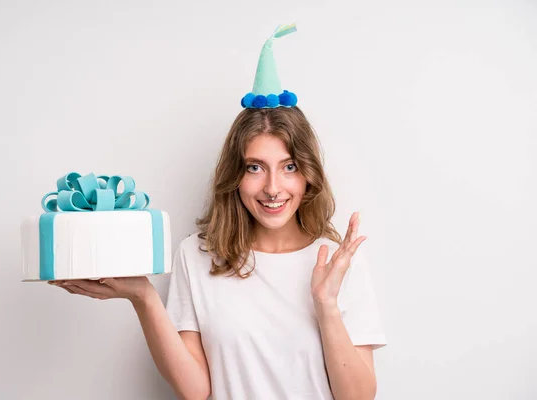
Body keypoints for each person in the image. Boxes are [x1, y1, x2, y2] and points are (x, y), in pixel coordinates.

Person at [51, 24, 386, 400]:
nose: (273, 187)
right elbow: (195, 390)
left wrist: (325, 304)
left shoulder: (338, 262)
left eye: (289, 166)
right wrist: (143, 297)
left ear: (309, 174)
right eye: (255, 167)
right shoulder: (197, 255)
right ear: (235, 175)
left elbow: (357, 397)